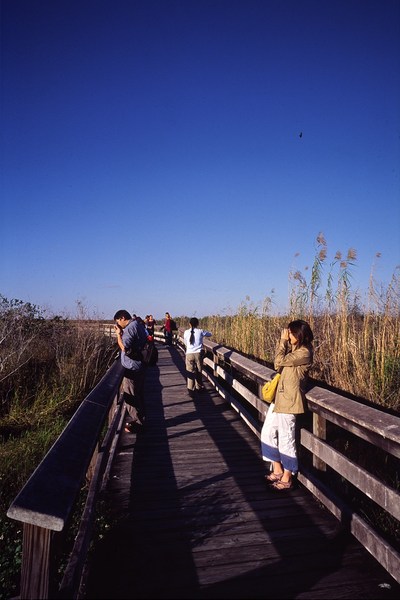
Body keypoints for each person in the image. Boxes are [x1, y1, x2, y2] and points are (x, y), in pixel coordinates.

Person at [261, 319, 314, 492]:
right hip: (279, 399)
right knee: (267, 433)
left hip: (290, 402)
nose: (288, 335)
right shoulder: (295, 350)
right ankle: (277, 469)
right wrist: (286, 343)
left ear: (299, 334)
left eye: (291, 333)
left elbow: (277, 363)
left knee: (286, 440)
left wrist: (282, 342)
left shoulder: (304, 352)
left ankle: (287, 477)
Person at [113, 309, 149, 433]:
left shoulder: (129, 328)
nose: (118, 324)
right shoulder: (138, 325)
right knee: (139, 393)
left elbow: (124, 347)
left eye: (118, 321)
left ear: (122, 318)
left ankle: (138, 423)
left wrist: (119, 334)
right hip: (140, 365)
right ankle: (141, 419)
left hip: (132, 367)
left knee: (131, 395)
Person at [183, 317, 212, 397]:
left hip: (189, 354)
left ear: (189, 324)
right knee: (199, 371)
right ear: (197, 324)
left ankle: (191, 389)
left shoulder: (186, 332)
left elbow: (185, 342)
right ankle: (199, 387)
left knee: (190, 372)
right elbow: (210, 334)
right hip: (198, 354)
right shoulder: (200, 331)